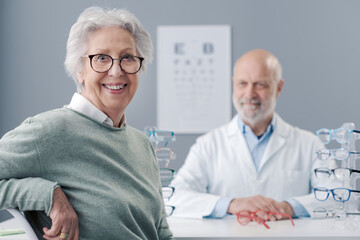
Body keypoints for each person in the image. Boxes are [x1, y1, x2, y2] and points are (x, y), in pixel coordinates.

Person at [0, 6, 173, 240]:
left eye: (127, 58)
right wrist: (46, 194)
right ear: (80, 70)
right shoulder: (49, 131)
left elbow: (160, 232)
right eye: (101, 58)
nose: (116, 70)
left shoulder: (142, 144)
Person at [168, 49, 336, 220]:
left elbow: (339, 197)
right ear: (233, 84)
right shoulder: (208, 144)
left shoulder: (309, 144)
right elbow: (175, 198)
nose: (249, 94)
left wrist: (288, 207)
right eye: (242, 83)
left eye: (260, 84)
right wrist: (231, 204)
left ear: (279, 87)